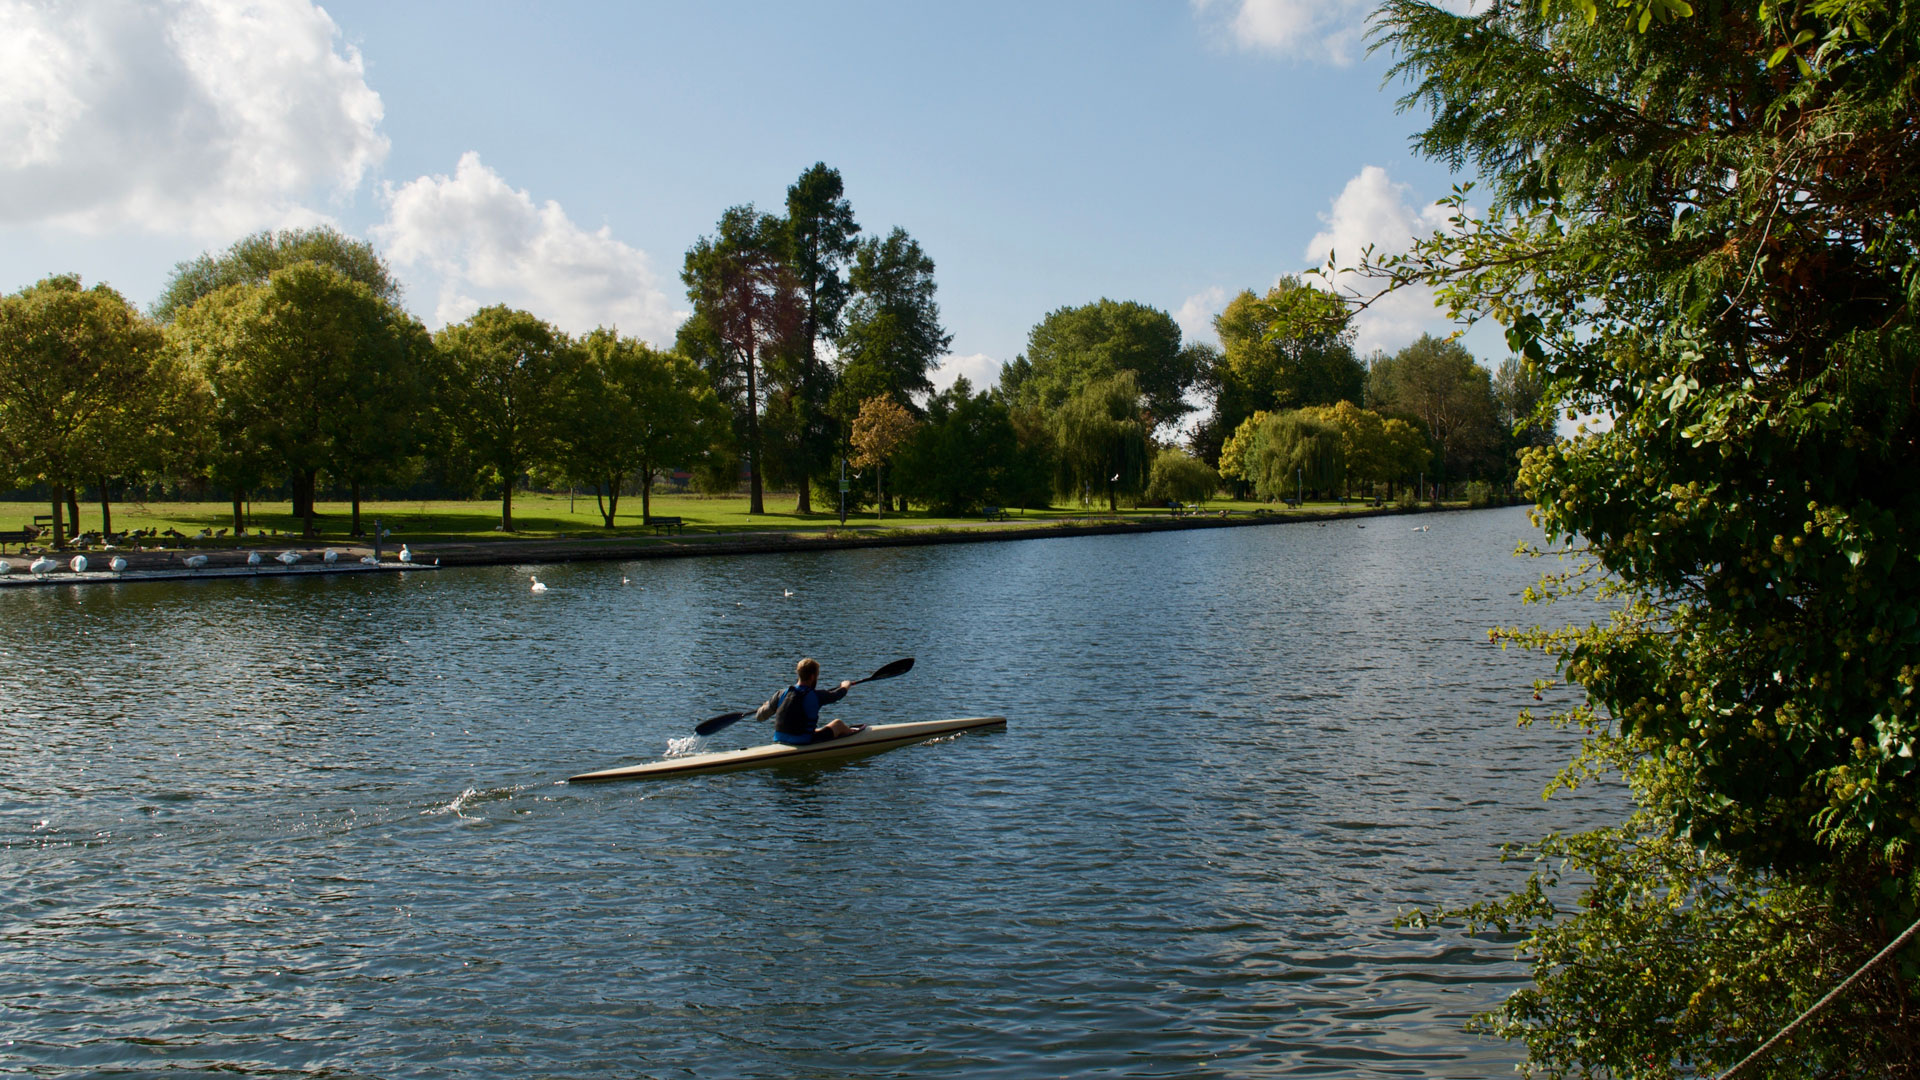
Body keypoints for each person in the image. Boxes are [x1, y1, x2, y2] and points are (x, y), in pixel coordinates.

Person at [757, 658, 865, 745]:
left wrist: (766, 706)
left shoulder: (781, 694)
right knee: (838, 724)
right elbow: (837, 695)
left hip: (780, 740)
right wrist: (845, 686)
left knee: (816, 729)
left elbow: (760, 717)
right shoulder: (816, 696)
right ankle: (854, 739)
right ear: (813, 676)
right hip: (803, 741)